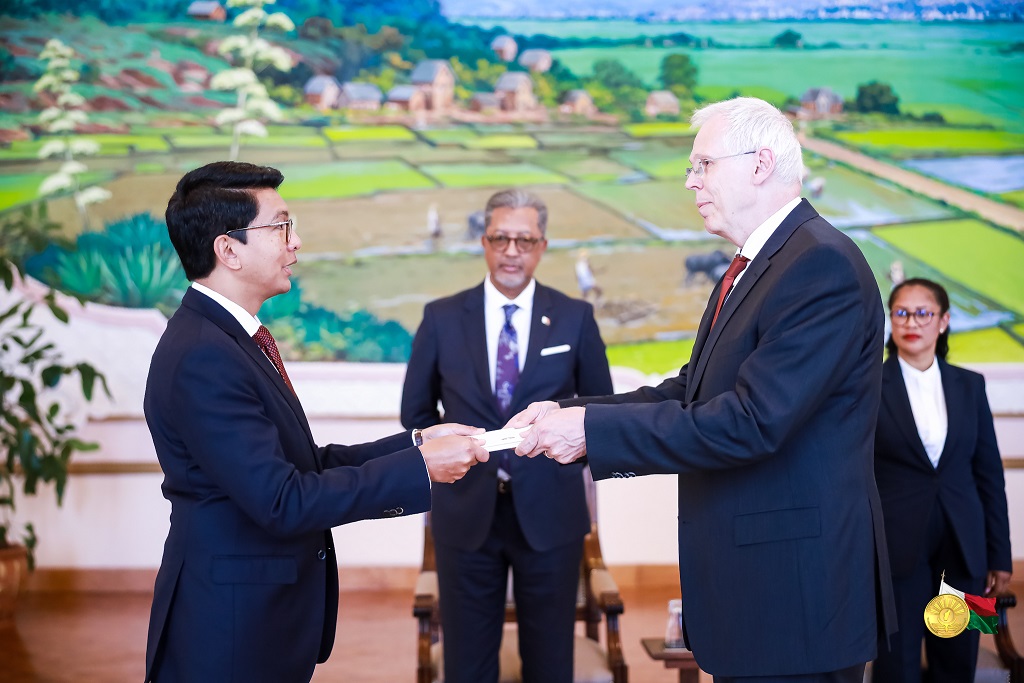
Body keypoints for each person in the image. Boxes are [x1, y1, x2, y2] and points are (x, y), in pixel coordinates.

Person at [508, 97, 897, 683]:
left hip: (795, 599)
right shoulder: (755, 265)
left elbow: (751, 422)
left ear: (761, 164)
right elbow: (691, 393)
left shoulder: (822, 267)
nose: (691, 182)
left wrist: (587, 431)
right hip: (758, 592)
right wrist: (569, 411)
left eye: (703, 164)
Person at [143, 161, 487, 683]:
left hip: (254, 614)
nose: (296, 242)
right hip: (230, 627)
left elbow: (302, 467)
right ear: (228, 250)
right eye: (280, 227)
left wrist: (417, 442)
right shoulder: (204, 355)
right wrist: (421, 468)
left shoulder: (229, 339)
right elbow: (282, 501)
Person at [401, 189, 614, 683]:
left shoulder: (575, 318)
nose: (512, 250)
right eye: (501, 238)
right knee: (469, 664)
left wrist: (566, 455)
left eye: (524, 240)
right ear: (484, 242)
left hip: (551, 515)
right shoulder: (441, 318)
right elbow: (414, 413)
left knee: (549, 663)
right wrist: (441, 444)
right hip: (465, 515)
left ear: (541, 246)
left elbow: (599, 411)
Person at [872, 278, 1012, 683]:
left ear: (944, 321)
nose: (911, 322)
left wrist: (999, 553)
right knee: (895, 665)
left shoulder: (970, 385)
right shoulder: (869, 386)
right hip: (896, 550)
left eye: (923, 313)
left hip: (966, 549)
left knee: (959, 658)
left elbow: (989, 475)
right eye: (901, 313)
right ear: (891, 321)